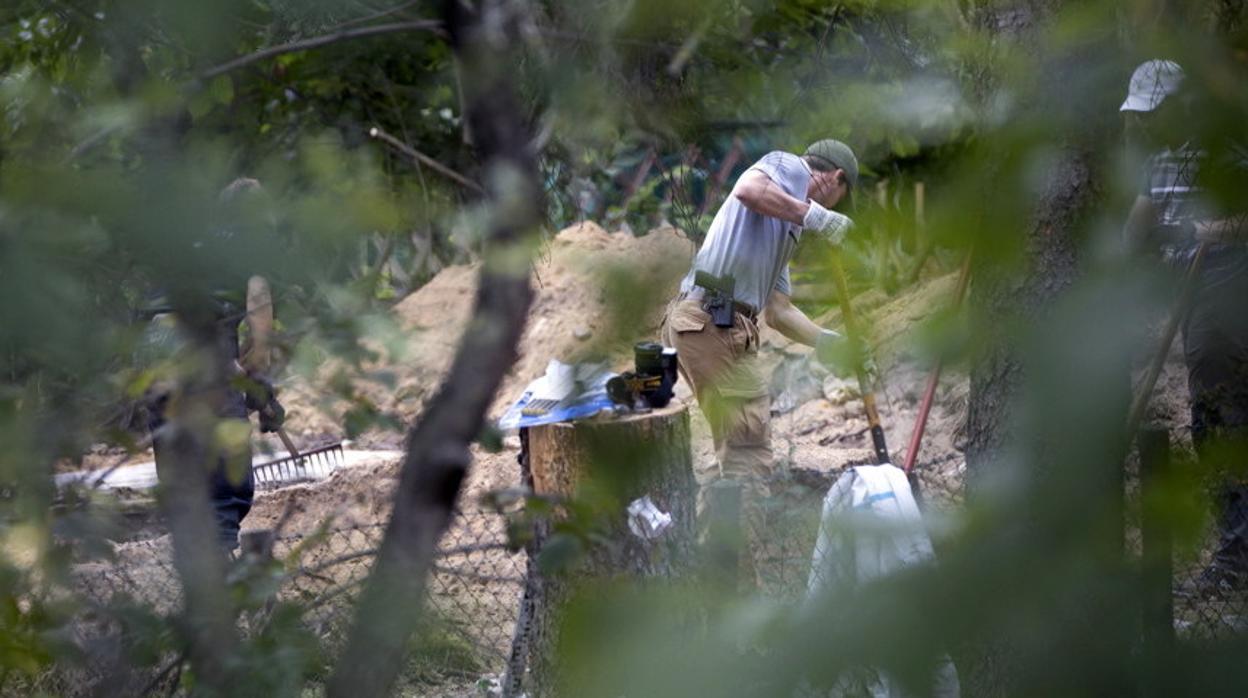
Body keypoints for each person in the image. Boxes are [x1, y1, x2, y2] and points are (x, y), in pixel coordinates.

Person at [661, 139, 864, 583]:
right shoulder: (789, 168)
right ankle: (732, 594)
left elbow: (779, 311)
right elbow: (747, 188)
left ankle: (704, 579)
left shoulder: (783, 230)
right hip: (714, 322)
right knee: (748, 459)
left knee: (729, 459)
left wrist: (830, 341)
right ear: (836, 179)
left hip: (721, 326)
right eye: (842, 197)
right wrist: (815, 214)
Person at [1121, 60, 1248, 596]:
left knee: (1222, 415)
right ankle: (1235, 547)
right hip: (1189, 288)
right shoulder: (1157, 156)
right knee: (1209, 419)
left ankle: (1237, 554)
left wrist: (1200, 229)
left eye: (1155, 112)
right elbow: (1140, 220)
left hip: (1230, 280)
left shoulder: (1226, 147)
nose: (1147, 123)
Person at [142, 178, 285, 553]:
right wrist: (261, 391)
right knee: (226, 472)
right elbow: (259, 334)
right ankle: (220, 563)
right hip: (198, 341)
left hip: (153, 347)